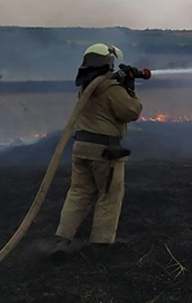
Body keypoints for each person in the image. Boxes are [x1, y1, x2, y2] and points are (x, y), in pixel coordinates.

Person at [50, 43, 143, 259]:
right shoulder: (112, 89)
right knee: (109, 194)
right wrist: (130, 89)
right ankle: (101, 244)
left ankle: (62, 238)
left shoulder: (86, 87)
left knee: (79, 192)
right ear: (108, 63)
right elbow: (130, 112)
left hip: (81, 148)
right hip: (104, 151)